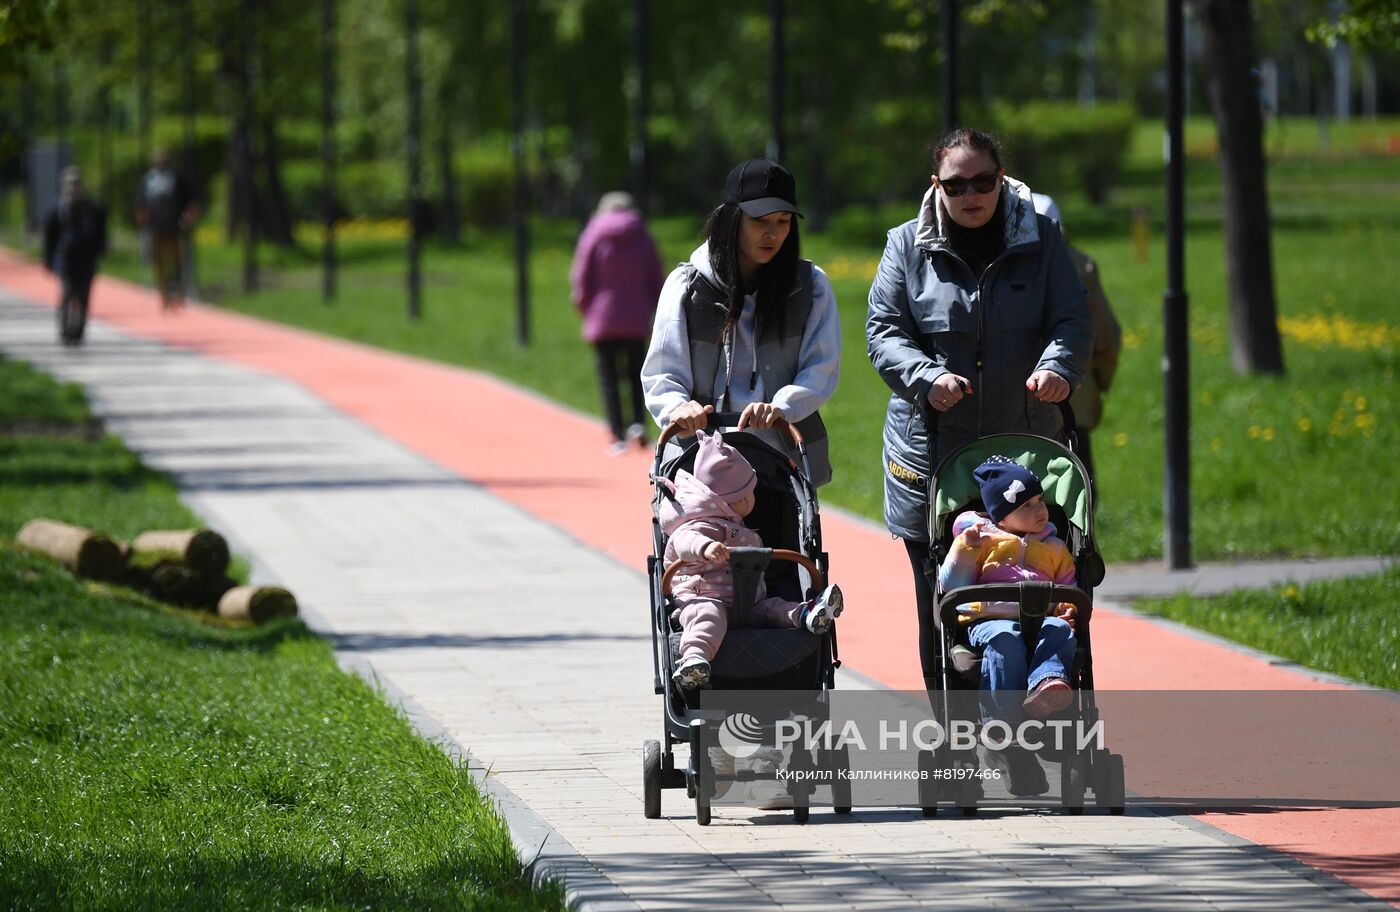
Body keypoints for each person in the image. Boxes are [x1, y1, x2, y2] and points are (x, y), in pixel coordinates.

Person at [865, 127, 1093, 691]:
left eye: (983, 181)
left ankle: (1041, 702)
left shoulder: (1041, 237)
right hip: (934, 449)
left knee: (1032, 585)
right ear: (937, 186)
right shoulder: (905, 245)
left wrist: (1057, 368)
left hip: (1025, 450)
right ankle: (957, 735)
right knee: (943, 601)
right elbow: (884, 331)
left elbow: (1072, 318)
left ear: (1001, 178)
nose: (971, 195)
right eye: (956, 184)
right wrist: (928, 377)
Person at [642, 159, 840, 486]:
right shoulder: (685, 286)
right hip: (700, 459)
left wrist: (782, 407)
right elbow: (662, 372)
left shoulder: (812, 286)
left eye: (783, 221)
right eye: (759, 220)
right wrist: (677, 408)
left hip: (784, 462)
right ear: (731, 219)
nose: (772, 233)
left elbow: (822, 367)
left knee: (787, 538)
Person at [938, 456, 1078, 794]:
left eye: (1041, 500)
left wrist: (1069, 608)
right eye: (1027, 505)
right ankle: (1000, 726)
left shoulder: (1055, 547)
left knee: (1061, 631)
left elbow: (1070, 585)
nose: (1040, 510)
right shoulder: (982, 540)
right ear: (1001, 515)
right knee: (1006, 639)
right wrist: (966, 550)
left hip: (1041, 619)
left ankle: (1046, 685)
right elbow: (950, 583)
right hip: (990, 620)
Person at [661, 431, 842, 689]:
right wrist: (705, 547)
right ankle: (694, 660)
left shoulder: (735, 524)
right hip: (706, 598)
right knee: (706, 620)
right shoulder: (701, 524)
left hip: (748, 601)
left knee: (774, 608)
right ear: (738, 499)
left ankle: (808, 613)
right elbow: (683, 540)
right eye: (751, 492)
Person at [1030, 193, 1122, 488]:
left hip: (1018, 404)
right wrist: (1100, 381)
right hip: (1074, 396)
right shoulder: (1081, 265)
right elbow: (1106, 334)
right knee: (1079, 487)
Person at [570, 191, 665, 455]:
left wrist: (585, 308)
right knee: (638, 374)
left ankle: (617, 433)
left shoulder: (593, 234)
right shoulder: (643, 236)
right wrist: (655, 308)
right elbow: (655, 276)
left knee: (608, 377)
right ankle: (639, 424)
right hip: (636, 316)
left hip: (603, 317)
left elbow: (581, 277)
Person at [42, 167, 108, 346]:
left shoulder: (92, 209)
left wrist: (100, 251)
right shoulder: (56, 210)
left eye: (76, 185)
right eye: (69, 185)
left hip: (86, 260)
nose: (73, 189)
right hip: (66, 260)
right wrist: (48, 260)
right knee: (67, 293)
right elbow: (49, 238)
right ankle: (65, 329)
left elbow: (100, 234)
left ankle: (79, 331)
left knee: (84, 296)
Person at [136, 148, 196, 311]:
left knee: (177, 258)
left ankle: (177, 288)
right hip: (155, 226)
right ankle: (163, 293)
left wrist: (189, 215)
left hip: (174, 225)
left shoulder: (177, 177)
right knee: (158, 261)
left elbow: (188, 198)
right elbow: (141, 200)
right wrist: (142, 214)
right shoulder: (149, 179)